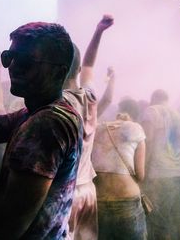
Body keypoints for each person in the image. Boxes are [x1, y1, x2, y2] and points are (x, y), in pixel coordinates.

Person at [0, 21, 83, 239]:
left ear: (59, 73)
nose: (13, 66)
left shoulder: (46, 125)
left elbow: (7, 227)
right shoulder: (39, 111)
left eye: (26, 61)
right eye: (9, 57)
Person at [63, 14, 114, 240]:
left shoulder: (59, 104)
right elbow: (90, 65)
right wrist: (99, 31)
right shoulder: (89, 96)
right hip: (88, 191)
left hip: (66, 195)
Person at [92, 98, 147, 240]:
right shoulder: (136, 128)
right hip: (127, 201)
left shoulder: (97, 128)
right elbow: (140, 175)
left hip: (99, 200)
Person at [141, 89, 180, 240]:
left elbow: (147, 142)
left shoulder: (151, 111)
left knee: (160, 224)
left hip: (161, 175)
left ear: (153, 99)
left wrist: (142, 172)